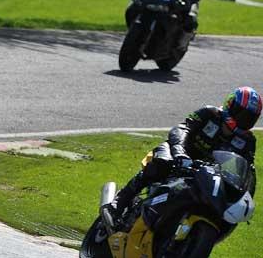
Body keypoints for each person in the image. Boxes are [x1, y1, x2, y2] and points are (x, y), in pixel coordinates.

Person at [101, 86, 260, 231]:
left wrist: (243, 197)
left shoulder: (247, 142)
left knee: (221, 209)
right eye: (241, 113)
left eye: (248, 118)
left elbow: (248, 172)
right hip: (178, 152)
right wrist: (179, 152)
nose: (242, 120)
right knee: (162, 163)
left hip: (204, 172)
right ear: (230, 105)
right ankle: (117, 204)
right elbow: (182, 129)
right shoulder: (209, 113)